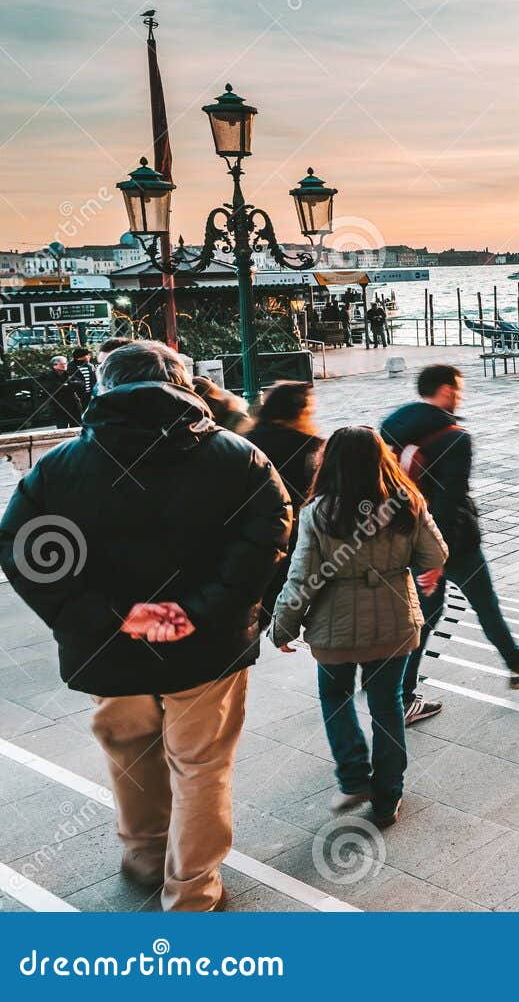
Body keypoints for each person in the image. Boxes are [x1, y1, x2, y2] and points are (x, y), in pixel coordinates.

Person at [0, 341, 291, 911]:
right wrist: (200, 610)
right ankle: (192, 892)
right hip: (206, 647)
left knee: (130, 753)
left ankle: (143, 857)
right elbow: (270, 536)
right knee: (201, 765)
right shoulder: (239, 458)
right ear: (184, 386)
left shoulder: (59, 467)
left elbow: (21, 548)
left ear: (105, 390)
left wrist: (115, 616)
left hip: (111, 648)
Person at [270, 426, 446, 827]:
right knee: (387, 707)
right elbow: (436, 553)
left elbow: (301, 578)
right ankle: (388, 799)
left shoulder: (318, 512)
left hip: (336, 627)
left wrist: (282, 628)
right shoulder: (408, 503)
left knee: (335, 696)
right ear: (382, 459)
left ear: (329, 463)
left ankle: (353, 776)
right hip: (397, 622)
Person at [381, 365, 519, 723]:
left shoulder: (392, 429)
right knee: (484, 605)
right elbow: (450, 501)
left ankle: (397, 689)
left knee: (425, 617)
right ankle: (517, 664)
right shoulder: (455, 438)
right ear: (445, 390)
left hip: (409, 537)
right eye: (457, 388)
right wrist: (438, 557)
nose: (460, 395)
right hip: (454, 544)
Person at [245, 380, 325, 613]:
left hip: (249, 532)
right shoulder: (312, 446)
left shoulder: (246, 441)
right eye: (310, 407)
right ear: (299, 410)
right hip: (292, 536)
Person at [42, 355, 85, 427]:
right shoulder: (49, 376)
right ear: (54, 366)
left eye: (65, 363)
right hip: (59, 405)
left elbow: (81, 384)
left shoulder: (69, 373)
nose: (65, 365)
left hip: (73, 404)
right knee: (62, 426)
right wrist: (71, 385)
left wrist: (68, 384)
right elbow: (57, 389)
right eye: (62, 364)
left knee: (77, 425)